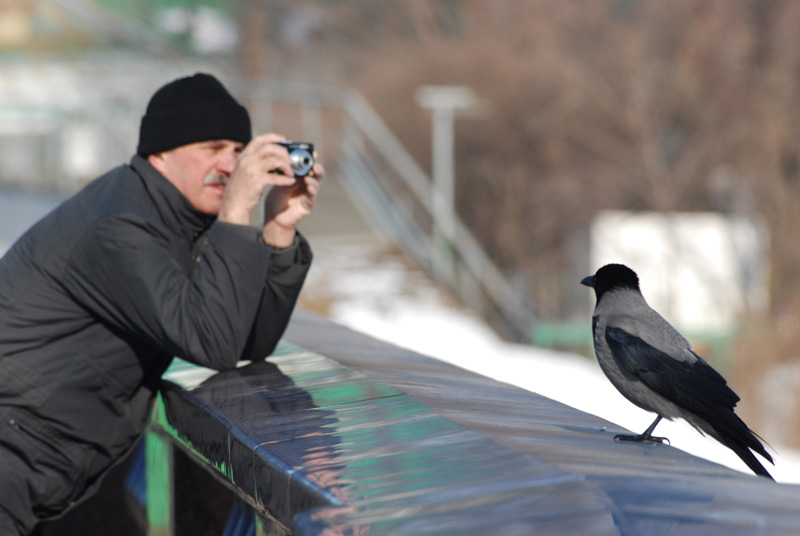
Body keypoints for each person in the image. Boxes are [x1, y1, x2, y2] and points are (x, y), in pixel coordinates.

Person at [0, 72, 322, 535]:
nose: (229, 166)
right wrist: (235, 213)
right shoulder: (121, 225)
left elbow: (248, 339)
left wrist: (278, 231)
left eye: (238, 151)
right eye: (212, 149)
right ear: (160, 154)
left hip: (32, 465)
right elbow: (211, 340)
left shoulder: (176, 221)